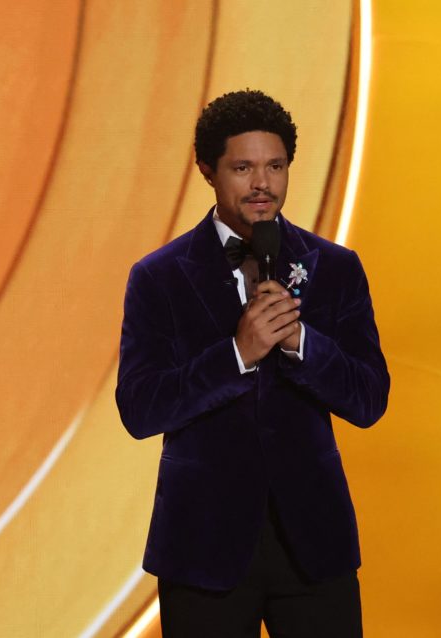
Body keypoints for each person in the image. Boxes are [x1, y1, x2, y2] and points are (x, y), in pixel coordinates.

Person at [115, 89, 389, 637]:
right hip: (202, 550)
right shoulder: (158, 277)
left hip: (315, 548)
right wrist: (236, 355)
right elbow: (141, 410)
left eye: (275, 166)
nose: (262, 183)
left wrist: (302, 343)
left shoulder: (335, 268)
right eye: (243, 168)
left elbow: (369, 400)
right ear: (207, 170)